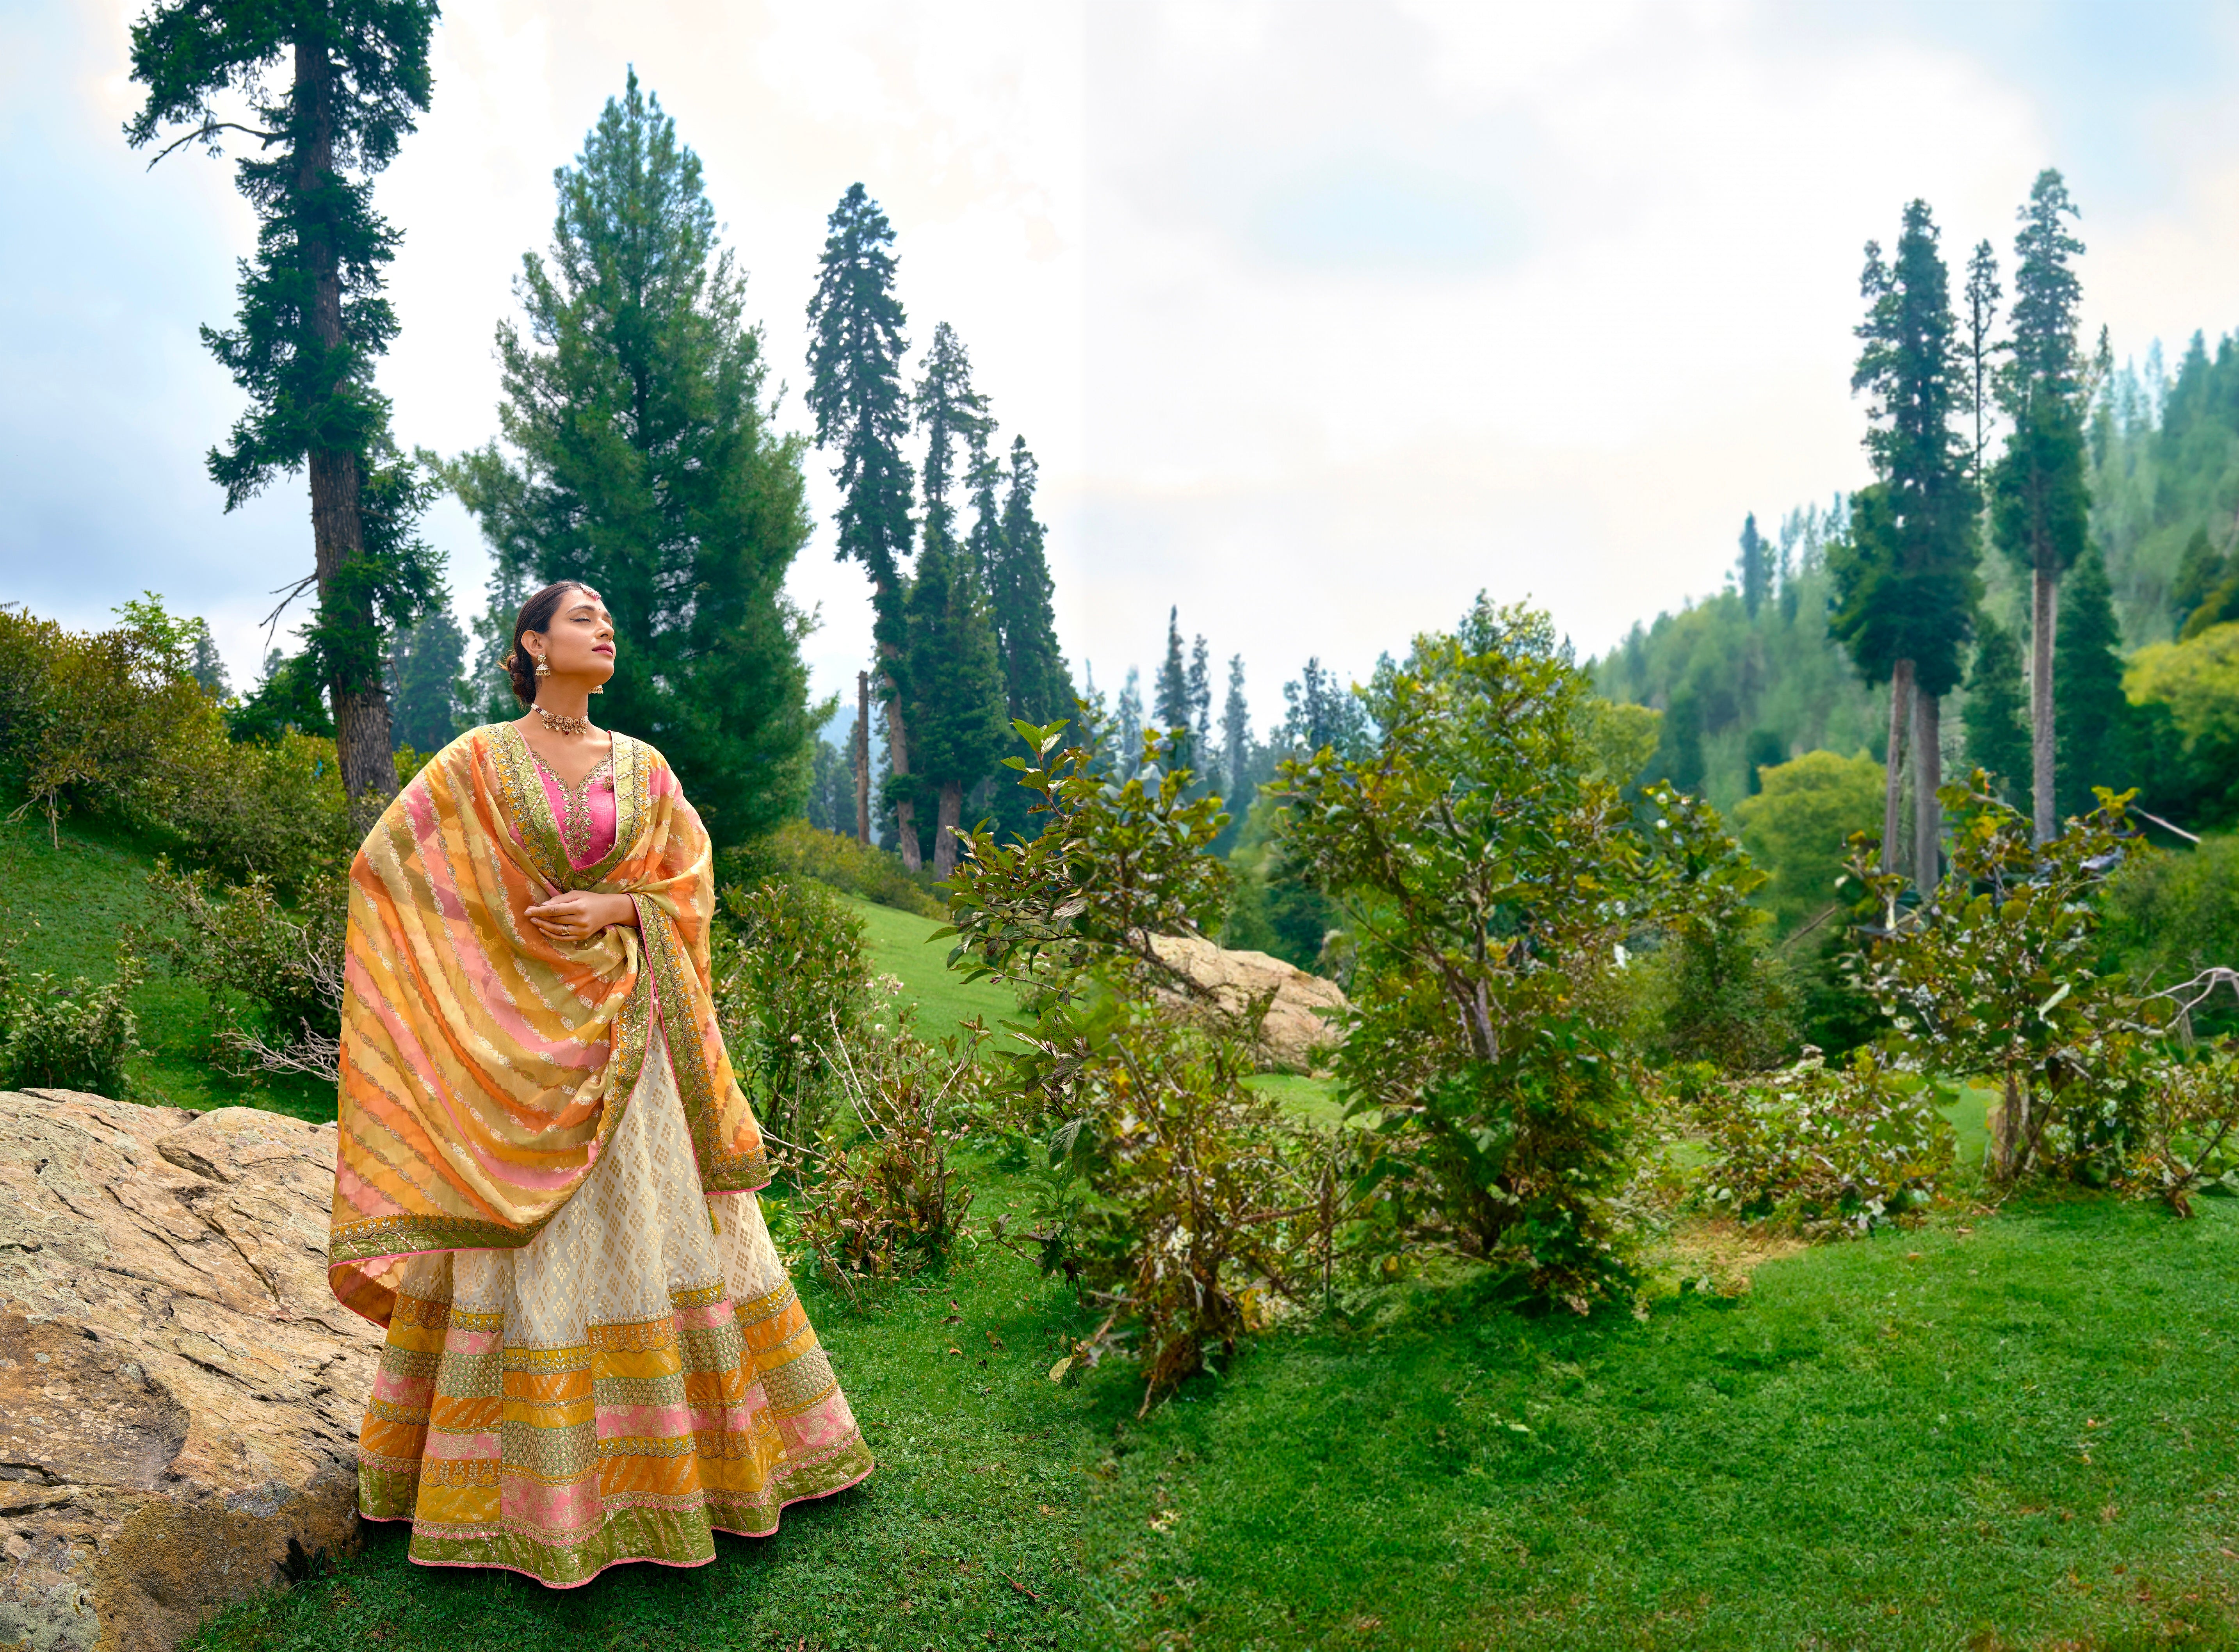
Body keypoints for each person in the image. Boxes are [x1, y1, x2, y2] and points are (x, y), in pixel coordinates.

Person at [329, 580, 871, 1586]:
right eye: (583, 620)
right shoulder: (480, 762)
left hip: (634, 1036)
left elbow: (690, 882)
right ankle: (524, 1496)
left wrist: (621, 908)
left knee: (652, 1231)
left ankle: (687, 1474)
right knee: (531, 1249)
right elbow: (391, 868)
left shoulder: (645, 768)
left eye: (609, 623)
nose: (604, 632)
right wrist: (481, 979)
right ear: (534, 643)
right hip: (521, 1053)